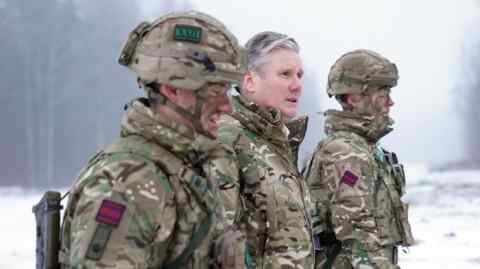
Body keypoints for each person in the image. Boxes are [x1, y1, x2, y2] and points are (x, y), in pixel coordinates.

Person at [58, 11, 247, 269]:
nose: (228, 107)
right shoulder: (127, 184)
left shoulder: (184, 167)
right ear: (172, 89)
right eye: (215, 91)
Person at [305, 49, 414, 269]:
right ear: (354, 97)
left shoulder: (365, 148)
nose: (390, 103)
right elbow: (358, 236)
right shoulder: (345, 153)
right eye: (382, 95)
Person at [215, 31, 314, 269]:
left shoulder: (276, 144)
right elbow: (213, 244)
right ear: (249, 81)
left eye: (300, 75)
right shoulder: (225, 139)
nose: (297, 85)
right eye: (285, 74)